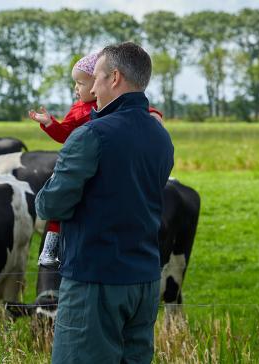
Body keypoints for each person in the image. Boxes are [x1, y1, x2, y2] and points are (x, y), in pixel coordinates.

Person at [35, 42, 174, 363]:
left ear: (114, 78)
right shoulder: (160, 135)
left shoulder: (91, 135)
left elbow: (50, 206)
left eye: (96, 78)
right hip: (145, 281)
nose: (91, 87)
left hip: (94, 281)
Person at [29, 52, 163, 269]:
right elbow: (64, 133)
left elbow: (138, 108)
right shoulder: (78, 109)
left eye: (82, 83)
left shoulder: (110, 107)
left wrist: (154, 113)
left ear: (106, 80)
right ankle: (49, 249)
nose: (79, 88)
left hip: (98, 166)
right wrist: (49, 123)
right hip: (81, 162)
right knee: (59, 212)